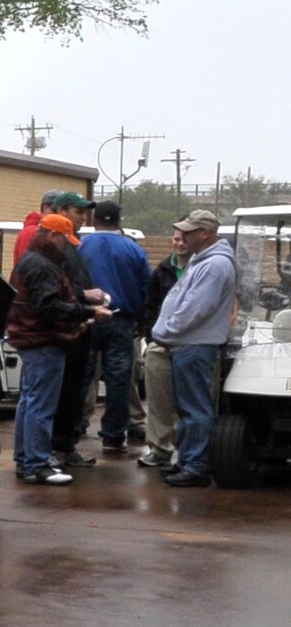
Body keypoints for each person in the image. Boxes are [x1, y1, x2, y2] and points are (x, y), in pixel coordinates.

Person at [7, 214, 110, 486]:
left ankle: (26, 460)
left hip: (31, 340)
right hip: (44, 341)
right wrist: (88, 312)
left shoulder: (30, 260)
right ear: (53, 236)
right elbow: (50, 307)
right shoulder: (43, 266)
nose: (68, 246)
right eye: (66, 239)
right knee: (41, 405)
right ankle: (37, 464)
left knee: (29, 402)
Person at [150, 210, 238, 487]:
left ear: (206, 234)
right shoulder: (205, 261)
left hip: (194, 345)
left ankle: (196, 466)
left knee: (195, 408)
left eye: (190, 231)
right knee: (189, 407)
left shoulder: (214, 265)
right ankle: (188, 461)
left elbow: (195, 309)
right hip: (189, 345)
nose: (184, 236)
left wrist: (166, 330)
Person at [76, 200, 151, 452]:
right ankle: (113, 435)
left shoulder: (81, 246)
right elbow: (145, 287)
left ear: (94, 220)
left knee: (82, 376)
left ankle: (73, 428)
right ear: (119, 221)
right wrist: (142, 321)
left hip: (86, 318)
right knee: (119, 379)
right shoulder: (133, 249)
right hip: (121, 319)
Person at [138, 230, 190, 470]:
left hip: (191, 343)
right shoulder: (161, 271)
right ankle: (159, 449)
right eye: (176, 238)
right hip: (161, 343)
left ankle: (189, 452)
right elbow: (150, 305)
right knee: (158, 401)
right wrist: (152, 337)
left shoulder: (202, 269)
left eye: (184, 239)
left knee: (189, 402)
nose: (179, 243)